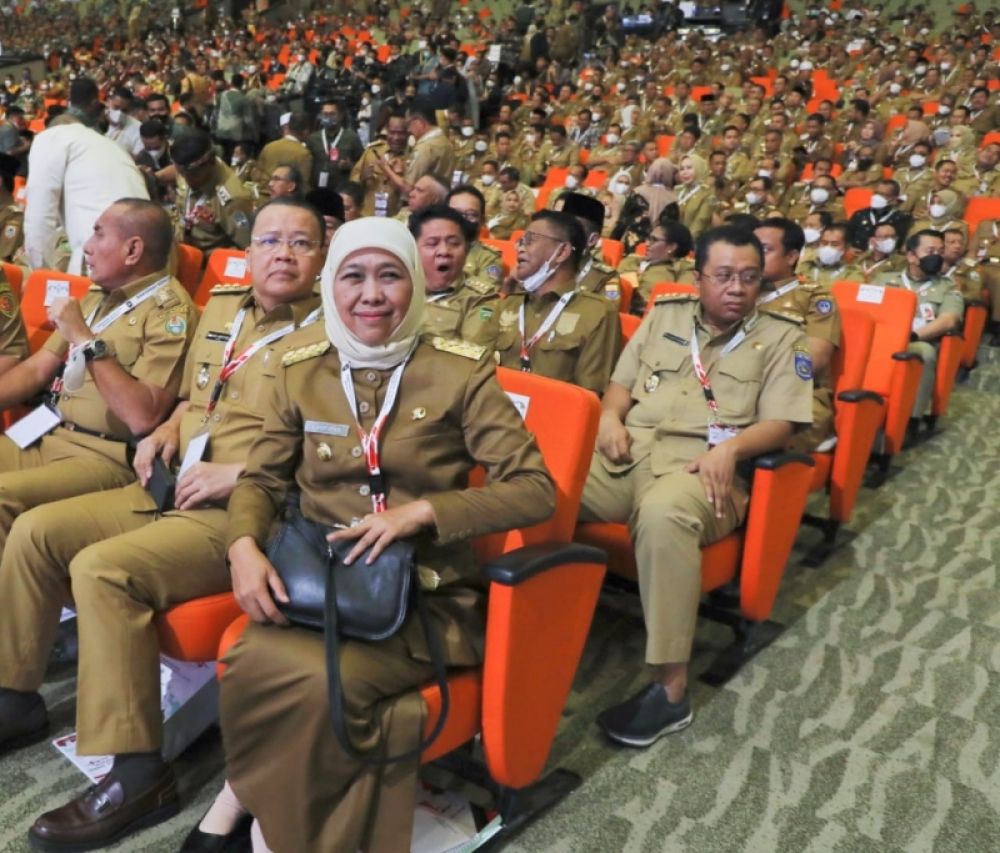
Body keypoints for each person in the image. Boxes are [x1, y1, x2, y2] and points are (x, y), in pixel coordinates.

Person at [217, 216, 555, 852]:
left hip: (423, 597)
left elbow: (536, 490)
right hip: (319, 583)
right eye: (353, 276)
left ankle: (272, 828)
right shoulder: (300, 369)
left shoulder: (460, 371)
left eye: (389, 275)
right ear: (330, 286)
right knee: (247, 659)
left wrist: (424, 512)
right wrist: (241, 546)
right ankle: (258, 802)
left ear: (415, 284)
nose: (371, 294)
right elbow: (260, 481)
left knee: (324, 686)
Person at [0, 198, 326, 851]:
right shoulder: (227, 308)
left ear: (323, 256)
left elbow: (344, 451)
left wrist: (237, 474)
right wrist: (176, 425)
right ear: (249, 250)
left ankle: (138, 771)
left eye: (300, 242)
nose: (282, 254)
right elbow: (198, 396)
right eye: (268, 240)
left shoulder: (334, 336)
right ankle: (14, 695)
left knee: (102, 568)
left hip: (254, 507)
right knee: (37, 534)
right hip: (175, 481)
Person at [579, 226, 813, 745]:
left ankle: (670, 689)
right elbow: (620, 384)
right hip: (629, 453)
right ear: (698, 276)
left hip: (704, 470)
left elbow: (785, 421)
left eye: (750, 278)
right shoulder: (666, 314)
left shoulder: (781, 336)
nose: (737, 288)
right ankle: (520, 625)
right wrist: (609, 420)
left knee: (663, 516)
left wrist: (731, 449)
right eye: (724, 276)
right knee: (541, 488)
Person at [0, 199, 197, 552]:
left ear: (133, 249)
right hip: (49, 432)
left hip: (102, 455)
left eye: (98, 234)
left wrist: (85, 339)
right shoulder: (97, 296)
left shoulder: (170, 313)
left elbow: (142, 416)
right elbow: (38, 368)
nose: (87, 247)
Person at [24, 78, 149, 274]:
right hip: (148, 255)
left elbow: (39, 217)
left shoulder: (50, 138)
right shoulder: (107, 145)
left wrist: (40, 275)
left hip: (108, 255)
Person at [489, 210, 621, 394]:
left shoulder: (596, 313)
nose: (519, 248)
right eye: (520, 241)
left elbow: (587, 397)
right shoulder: (507, 305)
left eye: (530, 240)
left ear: (562, 252)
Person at [755, 218, 841, 452]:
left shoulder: (815, 298)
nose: (752, 256)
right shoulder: (739, 292)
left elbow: (814, 359)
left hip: (796, 397)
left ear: (791, 257)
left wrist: (749, 378)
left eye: (764, 250)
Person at [876, 229, 963, 439]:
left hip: (917, 340)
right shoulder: (883, 279)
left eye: (940, 251)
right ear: (912, 256)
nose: (937, 256)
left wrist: (912, 336)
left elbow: (949, 319)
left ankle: (911, 418)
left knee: (922, 352)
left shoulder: (947, 286)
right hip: (881, 337)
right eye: (930, 250)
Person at [410, 204, 497, 343]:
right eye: (432, 243)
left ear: (467, 250)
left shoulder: (481, 297)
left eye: (454, 243)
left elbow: (471, 355)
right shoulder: (400, 288)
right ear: (413, 249)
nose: (444, 251)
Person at [173, 129, 254, 253]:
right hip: (181, 244)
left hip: (208, 260)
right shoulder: (187, 166)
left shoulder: (233, 198)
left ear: (210, 163)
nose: (187, 181)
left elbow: (246, 247)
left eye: (194, 175)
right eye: (182, 174)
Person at [618, 220, 696, 314]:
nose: (646, 244)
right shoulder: (631, 261)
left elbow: (678, 304)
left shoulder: (683, 269)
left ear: (671, 247)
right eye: (648, 238)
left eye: (654, 240)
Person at [447, 184, 505, 287]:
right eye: (455, 213)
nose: (462, 219)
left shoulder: (489, 259)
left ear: (482, 221)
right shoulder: (427, 249)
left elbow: (480, 299)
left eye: (470, 214)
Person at [306, 100, 364, 190]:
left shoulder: (352, 138)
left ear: (340, 115)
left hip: (342, 190)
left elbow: (362, 163)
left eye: (332, 114)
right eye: (325, 114)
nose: (328, 117)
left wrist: (350, 165)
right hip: (318, 189)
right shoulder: (313, 138)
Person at [257, 112, 314, 197]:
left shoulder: (268, 147)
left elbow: (257, 174)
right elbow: (303, 185)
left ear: (288, 128)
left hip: (264, 197)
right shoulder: (304, 154)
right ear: (306, 131)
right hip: (287, 201)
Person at [845, 180, 912, 252]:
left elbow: (900, 244)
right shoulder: (860, 214)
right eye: (876, 193)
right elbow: (847, 236)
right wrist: (849, 248)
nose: (877, 197)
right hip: (856, 255)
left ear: (894, 199)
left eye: (883, 195)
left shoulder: (902, 218)